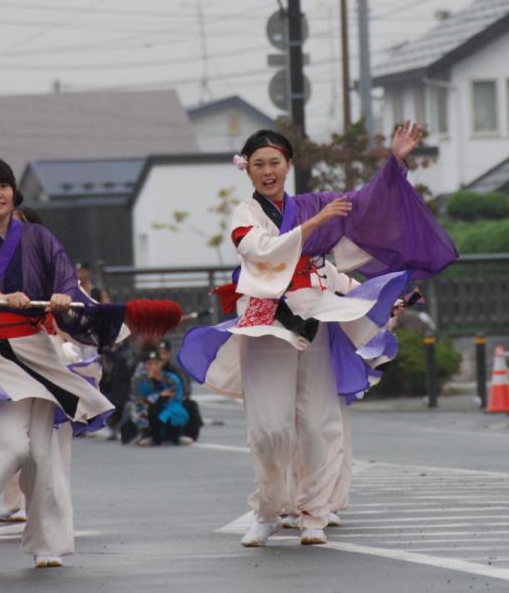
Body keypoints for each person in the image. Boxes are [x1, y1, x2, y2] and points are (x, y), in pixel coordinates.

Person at [179, 122, 456, 547]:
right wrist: (313, 227)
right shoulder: (246, 214)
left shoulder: (312, 204)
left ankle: (314, 513)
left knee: (319, 424)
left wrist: (395, 161)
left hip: (316, 312)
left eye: (275, 162)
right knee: (269, 427)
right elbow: (258, 250)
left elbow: (365, 205)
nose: (267, 171)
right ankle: (269, 509)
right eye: (259, 164)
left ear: (288, 165)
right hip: (265, 319)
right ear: (247, 170)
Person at [0, 157, 125, 568]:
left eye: (2, 185)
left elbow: (66, 274)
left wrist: (65, 293)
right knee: (12, 444)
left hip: (39, 350)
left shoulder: (38, 235)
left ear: (14, 190)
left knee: (46, 453)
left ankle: (47, 543)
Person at [133, 349, 191, 446]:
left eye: (156, 363)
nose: (153, 367)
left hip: (166, 406)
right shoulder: (138, 380)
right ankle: (150, 436)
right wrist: (158, 396)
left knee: (175, 411)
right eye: (149, 364)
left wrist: (158, 387)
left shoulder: (171, 378)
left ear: (161, 364)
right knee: (145, 410)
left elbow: (174, 396)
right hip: (147, 409)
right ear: (144, 366)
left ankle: (175, 437)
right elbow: (138, 400)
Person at [158, 339, 201, 442]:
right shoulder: (147, 369)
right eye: (160, 354)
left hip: (174, 401)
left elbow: (185, 391)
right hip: (157, 401)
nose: (162, 357)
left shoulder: (175, 371)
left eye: (165, 353)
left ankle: (184, 434)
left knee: (190, 405)